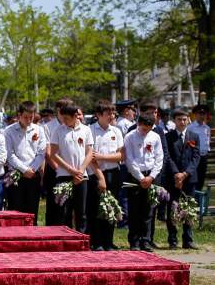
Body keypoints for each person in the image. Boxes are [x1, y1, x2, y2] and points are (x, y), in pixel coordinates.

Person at [49, 103, 93, 232]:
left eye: (67, 118)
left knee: (81, 211)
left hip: (81, 176)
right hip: (64, 175)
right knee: (64, 210)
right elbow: (53, 153)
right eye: (63, 118)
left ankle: (81, 238)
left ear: (75, 116)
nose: (64, 121)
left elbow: (90, 152)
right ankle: (65, 239)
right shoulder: (58, 130)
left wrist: (81, 170)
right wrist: (71, 170)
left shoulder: (86, 130)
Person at [87, 100, 124, 251]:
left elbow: (121, 155)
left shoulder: (116, 131)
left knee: (111, 207)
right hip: (95, 173)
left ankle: (108, 241)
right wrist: (100, 177)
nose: (112, 116)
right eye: (108, 113)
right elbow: (90, 157)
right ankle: (96, 241)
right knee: (96, 208)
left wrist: (102, 156)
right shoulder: (90, 130)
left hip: (113, 173)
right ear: (99, 115)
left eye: (113, 113)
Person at [124, 114, 164, 251]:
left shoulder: (155, 137)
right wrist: (141, 178)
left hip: (151, 175)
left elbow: (159, 158)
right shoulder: (130, 137)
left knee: (148, 210)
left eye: (148, 129)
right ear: (138, 124)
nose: (145, 131)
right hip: (135, 176)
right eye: (143, 128)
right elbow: (129, 159)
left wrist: (151, 177)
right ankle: (134, 241)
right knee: (134, 210)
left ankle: (146, 240)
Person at [3, 101, 45, 222]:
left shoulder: (39, 130)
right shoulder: (9, 131)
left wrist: (32, 168)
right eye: (25, 117)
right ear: (19, 115)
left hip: (33, 174)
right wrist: (23, 169)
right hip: (16, 175)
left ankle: (32, 237)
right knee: (15, 209)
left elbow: (41, 152)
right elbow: (9, 154)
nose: (28, 120)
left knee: (32, 210)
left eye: (31, 117)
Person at [165, 109, 200, 249]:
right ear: (174, 121)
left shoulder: (194, 136)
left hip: (189, 178)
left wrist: (185, 174)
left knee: (189, 208)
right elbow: (168, 157)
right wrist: (176, 174)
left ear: (188, 120)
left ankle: (188, 239)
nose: (182, 122)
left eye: (185, 119)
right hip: (173, 178)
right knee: (173, 208)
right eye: (179, 119)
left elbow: (196, 157)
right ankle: (172, 240)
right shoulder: (168, 137)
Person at [42, 98, 72, 225]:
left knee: (68, 205)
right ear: (59, 110)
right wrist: (59, 170)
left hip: (71, 170)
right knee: (54, 204)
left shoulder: (73, 125)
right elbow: (48, 154)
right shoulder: (48, 127)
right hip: (54, 170)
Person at [188, 104, 210, 192]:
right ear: (195, 115)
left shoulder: (207, 128)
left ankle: (198, 201)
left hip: (204, 156)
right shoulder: (190, 128)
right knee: (193, 180)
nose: (202, 115)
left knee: (201, 180)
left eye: (204, 113)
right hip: (194, 156)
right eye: (200, 113)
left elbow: (206, 143)